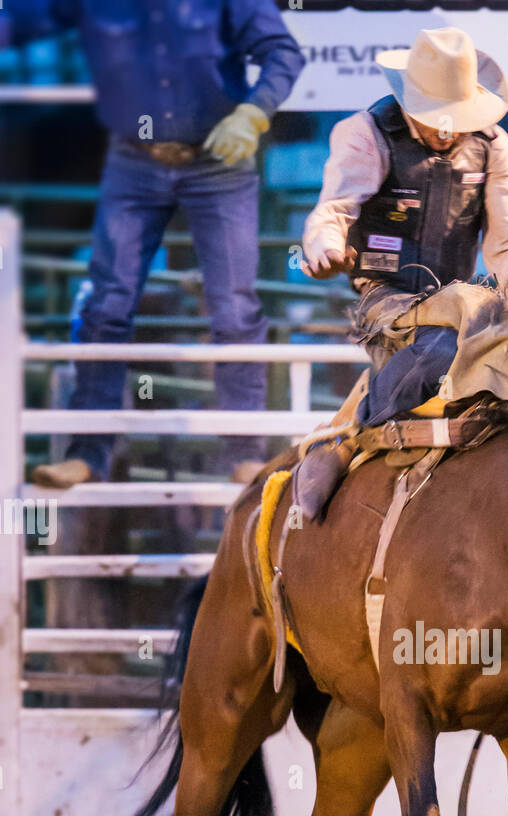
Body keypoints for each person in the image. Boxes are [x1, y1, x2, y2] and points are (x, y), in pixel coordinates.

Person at [1, 0, 303, 487]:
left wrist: (252, 112)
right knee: (107, 304)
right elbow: (19, 18)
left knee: (233, 309)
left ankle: (245, 449)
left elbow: (282, 52)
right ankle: (88, 453)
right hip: (134, 160)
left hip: (217, 162)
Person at [298, 26, 508, 520]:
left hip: (461, 305)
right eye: (439, 117)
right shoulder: (366, 134)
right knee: (441, 344)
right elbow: (332, 211)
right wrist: (326, 246)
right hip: (387, 302)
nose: (449, 129)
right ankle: (357, 428)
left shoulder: (492, 146)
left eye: (458, 116)